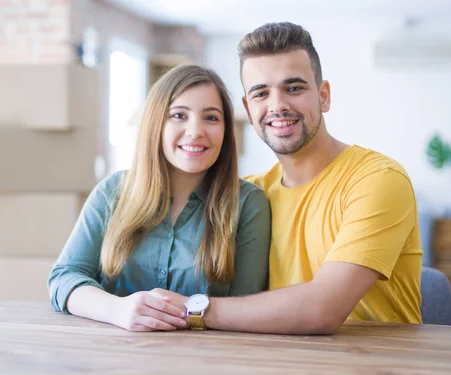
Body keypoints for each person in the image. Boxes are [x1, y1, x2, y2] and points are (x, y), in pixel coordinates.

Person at [153, 22, 423, 334]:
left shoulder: (376, 180)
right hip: (280, 367)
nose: (277, 105)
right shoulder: (251, 195)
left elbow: (322, 310)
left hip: (379, 371)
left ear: (324, 96)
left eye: (294, 88)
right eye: (261, 93)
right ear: (248, 109)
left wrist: (193, 308)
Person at [48, 64, 271, 332]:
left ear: (225, 130)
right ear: (156, 123)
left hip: (208, 362)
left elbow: (247, 307)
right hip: (111, 358)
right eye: (179, 115)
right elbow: (65, 278)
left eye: (211, 118)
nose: (195, 131)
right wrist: (117, 309)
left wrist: (189, 309)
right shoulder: (112, 192)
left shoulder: (248, 204)